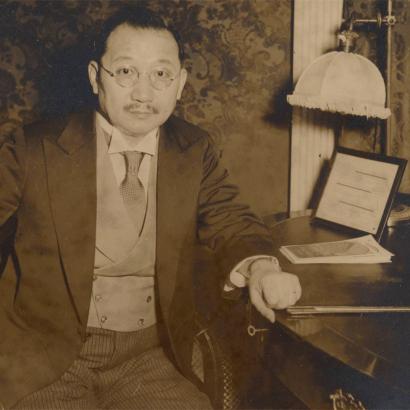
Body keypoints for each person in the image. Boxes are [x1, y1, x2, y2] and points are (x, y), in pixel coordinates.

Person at [0, 6, 301, 410]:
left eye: (160, 74)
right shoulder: (34, 147)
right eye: (125, 72)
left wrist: (261, 266)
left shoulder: (194, 149)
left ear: (180, 84)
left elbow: (233, 221)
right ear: (95, 77)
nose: (144, 93)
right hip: (45, 360)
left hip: (149, 358)